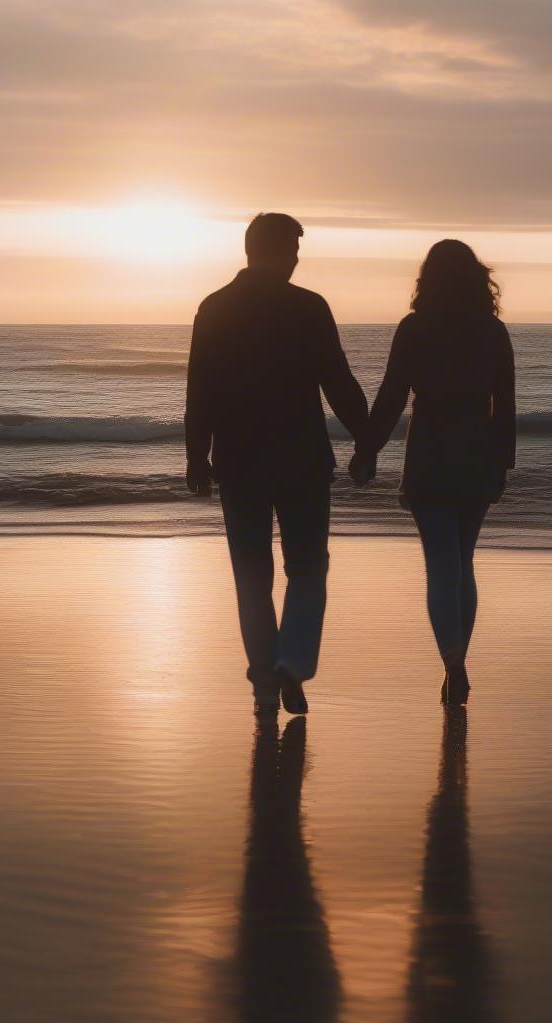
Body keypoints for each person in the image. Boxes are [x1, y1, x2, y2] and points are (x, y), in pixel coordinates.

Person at [185, 213, 369, 715]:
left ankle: (265, 674)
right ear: (275, 251)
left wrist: (195, 457)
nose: (295, 259)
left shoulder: (215, 308)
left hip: (239, 462)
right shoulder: (308, 307)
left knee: (251, 575)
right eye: (292, 249)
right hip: (303, 461)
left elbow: (199, 391)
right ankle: (291, 662)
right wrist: (367, 443)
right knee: (308, 569)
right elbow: (340, 384)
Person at [350, 240, 515, 705]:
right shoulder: (492, 332)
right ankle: (459, 661)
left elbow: (392, 396)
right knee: (463, 561)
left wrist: (367, 449)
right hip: (477, 454)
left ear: (428, 279)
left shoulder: (415, 328)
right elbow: (505, 405)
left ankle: (452, 663)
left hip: (429, 455)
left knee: (441, 565)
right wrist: (503, 463)